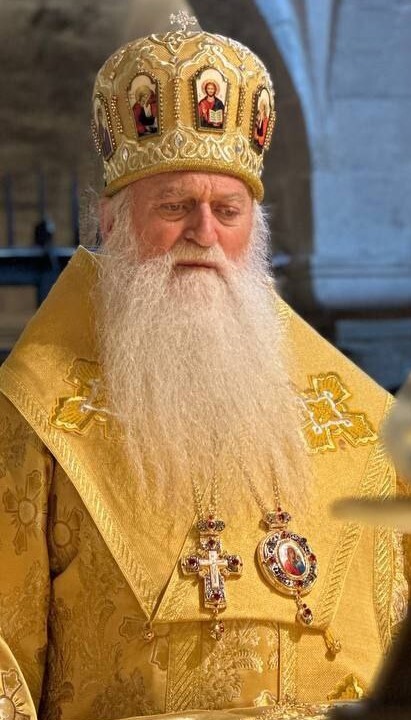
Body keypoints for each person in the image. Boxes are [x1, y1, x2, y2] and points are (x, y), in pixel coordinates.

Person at [0, 20, 407, 720]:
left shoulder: (364, 424)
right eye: (174, 207)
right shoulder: (34, 416)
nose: (204, 232)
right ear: (111, 223)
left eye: (227, 210)